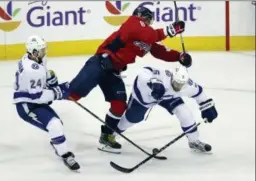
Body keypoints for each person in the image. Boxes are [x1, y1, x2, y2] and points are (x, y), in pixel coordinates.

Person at [67, 6, 192, 153]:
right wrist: (170, 30)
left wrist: (179, 57)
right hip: (100, 63)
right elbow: (150, 34)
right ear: (141, 16)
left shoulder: (146, 36)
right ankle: (44, 100)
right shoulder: (133, 23)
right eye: (148, 18)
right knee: (72, 94)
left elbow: (159, 51)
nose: (149, 22)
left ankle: (106, 136)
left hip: (113, 71)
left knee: (119, 105)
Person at [13, 35, 80, 170]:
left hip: (35, 99)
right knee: (55, 126)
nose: (44, 53)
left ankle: (57, 144)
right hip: (27, 105)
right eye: (42, 50)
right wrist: (58, 92)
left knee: (57, 124)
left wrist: (50, 78)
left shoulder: (34, 58)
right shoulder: (31, 70)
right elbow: (37, 96)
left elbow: (42, 72)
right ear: (34, 52)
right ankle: (64, 154)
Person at [115, 66, 218, 152]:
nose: (178, 86)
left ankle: (194, 141)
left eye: (181, 84)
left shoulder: (187, 85)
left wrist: (207, 107)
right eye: (177, 83)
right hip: (145, 97)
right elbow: (144, 71)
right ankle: (113, 132)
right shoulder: (163, 76)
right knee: (134, 118)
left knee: (185, 113)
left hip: (169, 98)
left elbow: (199, 93)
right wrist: (154, 82)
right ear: (172, 78)